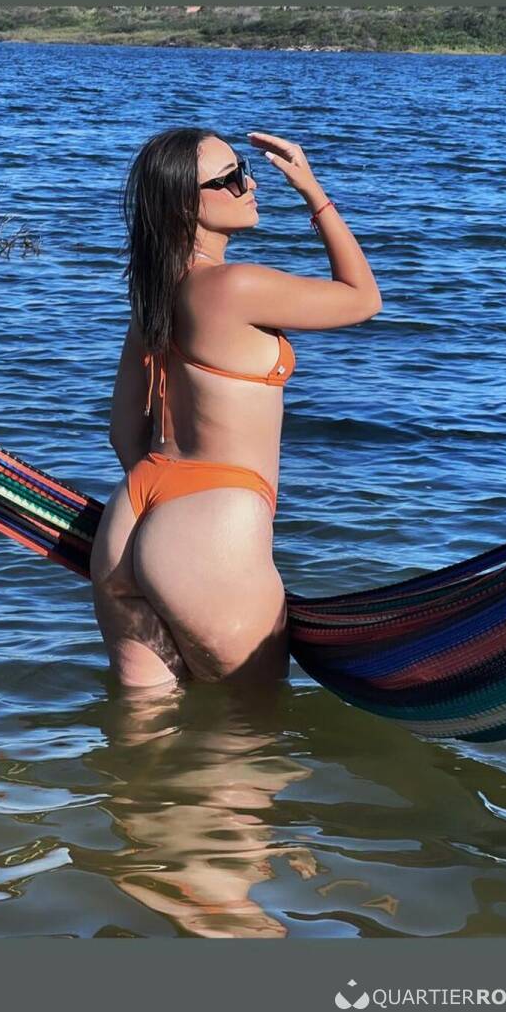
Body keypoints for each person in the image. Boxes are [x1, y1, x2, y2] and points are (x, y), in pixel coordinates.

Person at [90, 127, 381, 690]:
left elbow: (125, 432)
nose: (249, 185)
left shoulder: (154, 295)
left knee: (140, 730)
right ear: (184, 204)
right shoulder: (235, 285)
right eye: (229, 179)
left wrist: (163, 523)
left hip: (126, 523)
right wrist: (311, 190)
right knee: (249, 733)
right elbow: (363, 298)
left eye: (243, 171)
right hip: (211, 526)